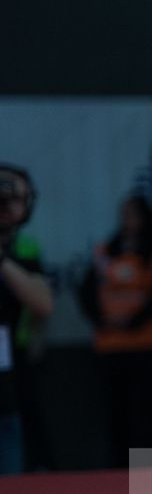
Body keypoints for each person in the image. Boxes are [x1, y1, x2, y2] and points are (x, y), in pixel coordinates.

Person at [77, 194, 152, 466]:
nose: (126, 221)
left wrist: (132, 322)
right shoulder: (106, 251)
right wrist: (101, 319)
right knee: (116, 412)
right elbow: (86, 291)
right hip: (111, 346)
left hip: (149, 345)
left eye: (132, 214)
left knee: (148, 411)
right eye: (123, 215)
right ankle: (119, 468)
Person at [0, 165, 53, 475]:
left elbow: (42, 303)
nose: (6, 206)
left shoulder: (25, 248)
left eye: (14, 197)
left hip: (11, 370)